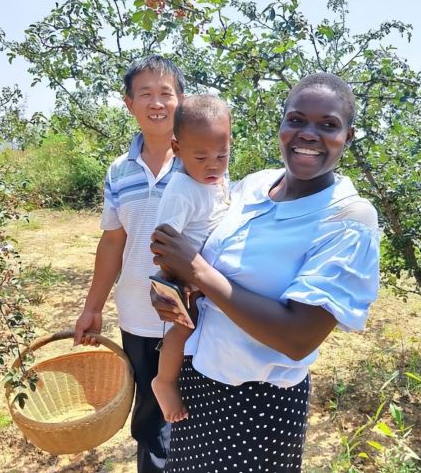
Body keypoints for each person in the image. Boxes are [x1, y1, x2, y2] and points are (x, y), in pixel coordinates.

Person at [150, 73, 381, 472]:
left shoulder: (348, 218)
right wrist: (173, 292)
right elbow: (197, 246)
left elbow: (297, 337)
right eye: (296, 119)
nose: (308, 134)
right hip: (198, 380)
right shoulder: (252, 186)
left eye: (328, 125)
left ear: (349, 135)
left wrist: (199, 272)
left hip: (257, 406)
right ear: (282, 125)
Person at [73, 55, 185, 473]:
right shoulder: (119, 171)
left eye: (166, 93)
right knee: (150, 420)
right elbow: (113, 241)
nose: (157, 103)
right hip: (137, 317)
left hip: (192, 319)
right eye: (146, 94)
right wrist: (93, 307)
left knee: (191, 411)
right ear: (129, 104)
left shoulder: (202, 163)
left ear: (181, 100)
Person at [151, 94, 231, 423]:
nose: (212, 165)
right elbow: (162, 242)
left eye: (222, 155)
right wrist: (178, 285)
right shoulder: (182, 190)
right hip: (187, 282)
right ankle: (164, 382)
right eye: (201, 157)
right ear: (177, 148)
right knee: (183, 329)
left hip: (208, 279)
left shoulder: (217, 180)